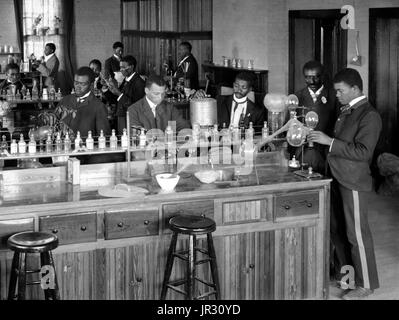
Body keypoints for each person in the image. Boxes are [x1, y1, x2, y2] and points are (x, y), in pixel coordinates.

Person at [308, 68, 381, 300]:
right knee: (338, 231)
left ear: (355, 89)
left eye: (340, 91)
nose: (336, 94)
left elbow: (363, 152)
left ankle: (366, 285)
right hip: (337, 177)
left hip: (353, 181)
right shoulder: (346, 110)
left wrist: (329, 142)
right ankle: (347, 278)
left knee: (357, 235)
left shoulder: (369, 115)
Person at [292, 60, 338, 173]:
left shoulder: (334, 96)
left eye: (315, 77)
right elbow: (290, 124)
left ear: (322, 76)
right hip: (302, 149)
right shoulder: (297, 97)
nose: (311, 81)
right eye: (307, 77)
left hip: (325, 150)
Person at [55, 66, 110, 138]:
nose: (78, 87)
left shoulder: (99, 107)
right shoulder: (64, 101)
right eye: (76, 83)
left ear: (91, 85)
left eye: (82, 84)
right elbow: (54, 125)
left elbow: (103, 137)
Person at [107, 55, 145, 134]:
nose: (121, 70)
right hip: (122, 116)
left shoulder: (139, 83)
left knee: (127, 142)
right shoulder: (126, 79)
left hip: (131, 119)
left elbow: (136, 106)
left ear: (131, 67)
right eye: (120, 67)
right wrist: (107, 89)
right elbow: (117, 98)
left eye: (123, 67)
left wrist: (119, 93)